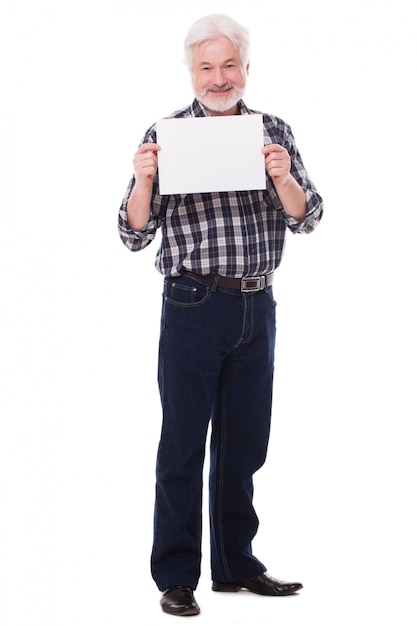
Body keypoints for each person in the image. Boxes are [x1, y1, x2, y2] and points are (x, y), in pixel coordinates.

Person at [118, 13, 323, 617]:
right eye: (206, 67)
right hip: (192, 304)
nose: (218, 77)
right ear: (191, 71)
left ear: (246, 69)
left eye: (228, 64)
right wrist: (142, 181)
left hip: (257, 304)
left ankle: (236, 566)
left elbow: (307, 216)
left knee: (245, 444)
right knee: (182, 442)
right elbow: (131, 233)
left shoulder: (274, 130)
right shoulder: (166, 132)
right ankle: (177, 576)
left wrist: (283, 177)